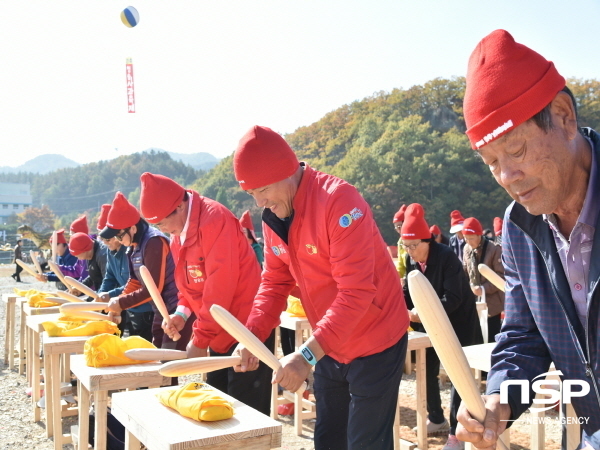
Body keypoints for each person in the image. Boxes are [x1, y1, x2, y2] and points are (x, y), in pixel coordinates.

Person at [456, 29, 600, 449]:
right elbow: (523, 336)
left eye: (516, 151)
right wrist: (499, 399)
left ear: (563, 115)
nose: (506, 177)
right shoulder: (519, 229)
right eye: (491, 163)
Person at [231, 125, 410, 449]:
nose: (259, 202)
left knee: (365, 443)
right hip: (330, 343)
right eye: (251, 194)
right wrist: (253, 335)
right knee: (328, 439)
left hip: (375, 337)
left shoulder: (338, 202)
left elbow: (356, 293)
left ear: (286, 173)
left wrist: (304, 358)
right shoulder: (274, 217)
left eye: (263, 189)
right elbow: (273, 283)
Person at [138, 172, 273, 415]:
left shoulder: (215, 220)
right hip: (216, 332)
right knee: (216, 409)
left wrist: (199, 339)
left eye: (161, 224)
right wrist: (181, 314)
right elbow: (187, 283)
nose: (162, 230)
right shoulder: (178, 232)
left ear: (179, 207)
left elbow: (219, 289)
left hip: (246, 329)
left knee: (247, 417)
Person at [401, 203, 482, 450]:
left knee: (460, 378)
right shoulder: (409, 258)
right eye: (407, 246)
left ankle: (456, 434)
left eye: (415, 246)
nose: (411, 251)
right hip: (429, 325)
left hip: (459, 324)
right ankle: (435, 417)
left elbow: (454, 298)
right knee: (426, 370)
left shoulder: (446, 256)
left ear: (428, 241)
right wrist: (401, 311)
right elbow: (407, 290)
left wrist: (421, 314)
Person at [101, 192, 193, 351]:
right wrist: (119, 303)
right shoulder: (133, 245)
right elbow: (135, 281)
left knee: (167, 361)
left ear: (133, 228)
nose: (118, 240)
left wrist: (121, 303)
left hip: (174, 308)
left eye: (119, 235)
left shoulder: (154, 242)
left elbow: (154, 289)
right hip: (160, 309)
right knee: (156, 359)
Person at [461, 217, 505, 343]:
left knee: (491, 337)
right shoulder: (466, 249)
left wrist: (483, 289)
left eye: (471, 238)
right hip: (474, 301)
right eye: (466, 238)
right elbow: (465, 271)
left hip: (493, 303)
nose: (468, 241)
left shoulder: (494, 249)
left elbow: (501, 276)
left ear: (479, 235)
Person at [393, 204, 408, 279]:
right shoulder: (400, 241)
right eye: (396, 227)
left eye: (399, 226)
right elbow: (401, 265)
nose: (398, 229)